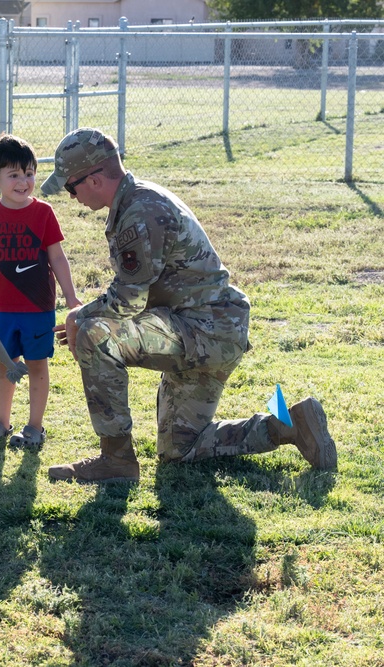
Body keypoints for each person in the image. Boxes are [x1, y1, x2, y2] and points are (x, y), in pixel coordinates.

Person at [42, 127, 337, 483]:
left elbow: (129, 299)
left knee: (95, 334)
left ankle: (116, 461)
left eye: (70, 187)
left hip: (202, 332)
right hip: (206, 331)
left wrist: (79, 316)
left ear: (94, 179)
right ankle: (288, 426)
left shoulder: (141, 212)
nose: (70, 196)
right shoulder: (137, 201)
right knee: (178, 449)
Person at [0, 135, 82, 451]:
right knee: (5, 364)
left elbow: (58, 258)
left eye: (29, 173)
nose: (24, 182)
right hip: (2, 308)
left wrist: (71, 297)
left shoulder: (44, 213)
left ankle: (34, 426)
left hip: (38, 308)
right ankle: (1, 423)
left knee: (36, 364)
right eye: (14, 175)